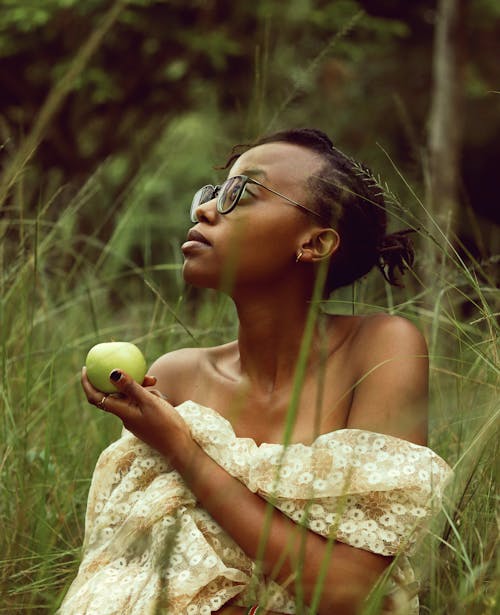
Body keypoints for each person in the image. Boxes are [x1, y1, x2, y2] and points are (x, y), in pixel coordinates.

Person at [59, 129, 452, 615]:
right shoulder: (177, 377)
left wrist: (182, 447)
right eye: (211, 194)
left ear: (315, 242)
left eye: (239, 194)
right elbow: (133, 578)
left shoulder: (381, 348)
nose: (205, 210)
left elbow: (352, 593)